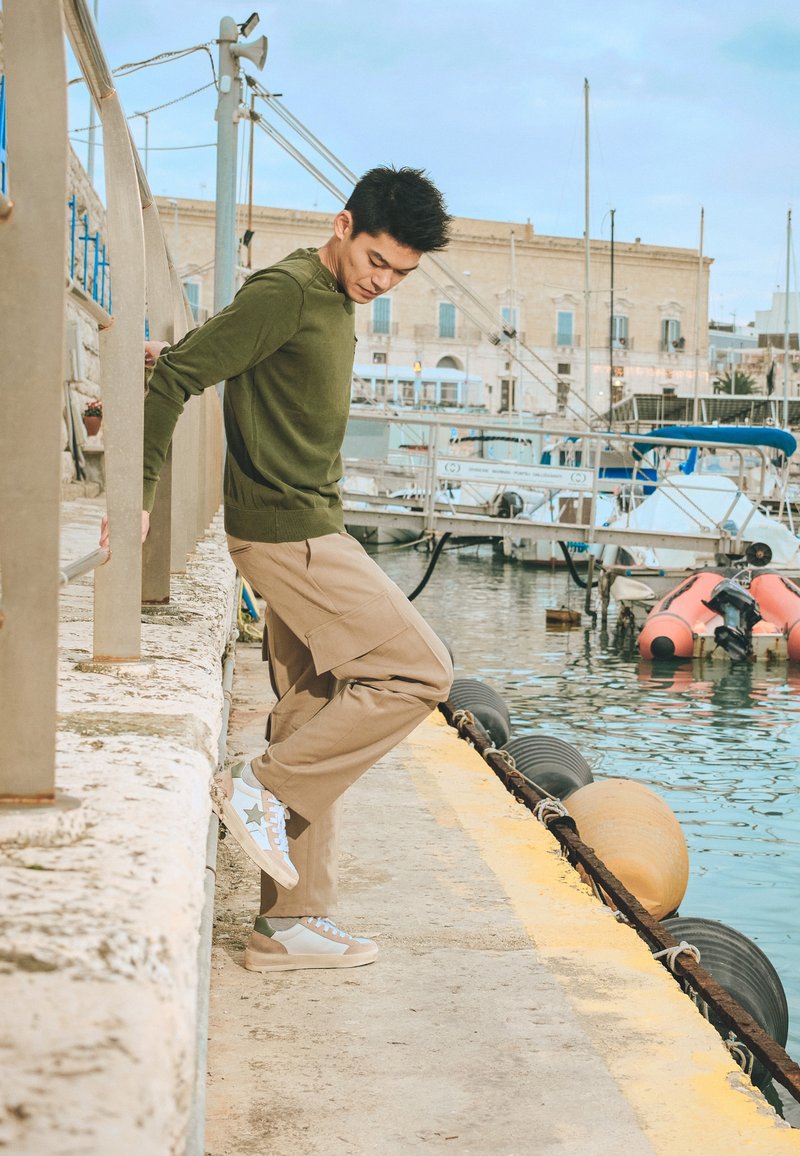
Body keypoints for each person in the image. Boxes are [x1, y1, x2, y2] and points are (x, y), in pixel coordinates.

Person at [104, 166, 454, 972]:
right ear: (342, 225)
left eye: (400, 274)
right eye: (376, 262)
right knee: (418, 671)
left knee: (314, 706)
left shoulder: (332, 298)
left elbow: (199, 353)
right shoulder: (290, 289)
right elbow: (178, 378)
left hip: (308, 525)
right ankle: (261, 786)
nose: (383, 283)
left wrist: (183, 347)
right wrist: (140, 494)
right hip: (290, 536)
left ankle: (287, 926)